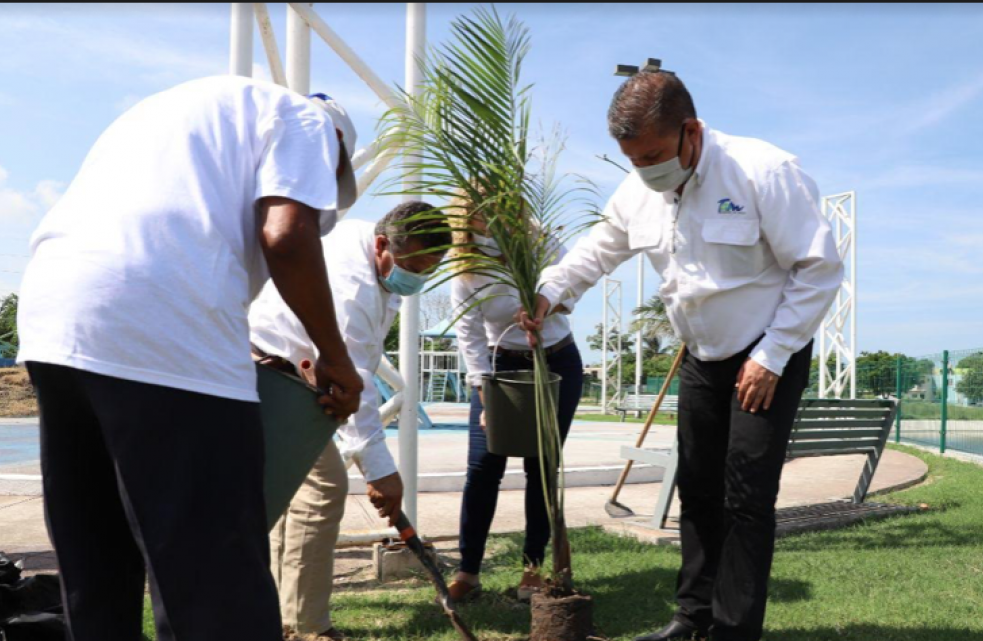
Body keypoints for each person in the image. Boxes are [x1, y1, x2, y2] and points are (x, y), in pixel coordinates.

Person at [17, 77, 364, 641]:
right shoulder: (307, 121)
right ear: (339, 147)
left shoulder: (175, 110)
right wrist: (334, 357)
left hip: (55, 319)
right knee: (212, 576)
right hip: (162, 327)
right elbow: (287, 237)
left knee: (97, 559)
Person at [519, 71, 844, 641]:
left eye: (653, 155)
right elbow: (598, 249)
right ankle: (691, 620)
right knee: (696, 489)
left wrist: (772, 355)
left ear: (690, 130)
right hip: (701, 354)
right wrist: (551, 291)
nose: (645, 170)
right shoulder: (638, 188)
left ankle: (733, 631)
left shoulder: (763, 170)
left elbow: (818, 268)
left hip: (766, 353)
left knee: (746, 496)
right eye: (633, 160)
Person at [249, 201, 450, 641]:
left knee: (297, 496)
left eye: (428, 268)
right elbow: (353, 381)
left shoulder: (372, 254)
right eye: (414, 265)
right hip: (277, 374)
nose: (417, 277)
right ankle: (306, 628)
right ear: (383, 245)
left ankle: (285, 620)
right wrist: (382, 474)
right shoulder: (352, 284)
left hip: (289, 375)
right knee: (324, 490)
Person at [446, 203, 584, 603]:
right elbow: (469, 334)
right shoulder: (463, 263)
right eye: (477, 216)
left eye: (496, 212)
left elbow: (570, 285)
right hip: (499, 366)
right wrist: (484, 395)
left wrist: (545, 305)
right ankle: (468, 571)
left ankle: (533, 568)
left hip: (555, 359)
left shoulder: (539, 240)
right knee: (483, 464)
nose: (488, 223)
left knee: (541, 465)